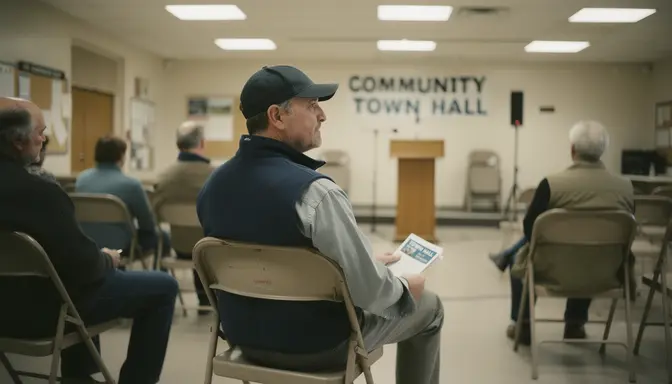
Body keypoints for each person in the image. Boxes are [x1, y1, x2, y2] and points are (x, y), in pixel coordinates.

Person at [197, 65, 443, 384]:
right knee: (431, 308)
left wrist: (357, 266)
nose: (322, 115)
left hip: (243, 340)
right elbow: (370, 293)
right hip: (319, 345)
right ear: (277, 116)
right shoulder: (316, 193)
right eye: (312, 105)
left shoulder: (212, 187)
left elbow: (264, 262)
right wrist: (406, 288)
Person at [0, 97, 178, 384]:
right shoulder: (41, 193)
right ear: (19, 142)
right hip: (44, 313)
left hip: (6, 308)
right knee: (163, 286)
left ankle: (79, 374)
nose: (44, 139)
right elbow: (82, 266)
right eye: (40, 133)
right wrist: (108, 259)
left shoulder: (73, 181)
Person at [502, 121, 634, 345]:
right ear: (603, 150)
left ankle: (523, 326)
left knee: (520, 260)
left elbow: (530, 230)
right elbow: (629, 234)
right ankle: (575, 324)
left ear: (572, 149)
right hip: (607, 273)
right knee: (591, 254)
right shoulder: (626, 187)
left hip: (552, 271)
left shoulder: (551, 184)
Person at [75, 135, 171, 268]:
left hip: (88, 243)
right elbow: (147, 224)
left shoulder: (81, 180)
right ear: (121, 157)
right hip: (121, 247)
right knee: (163, 237)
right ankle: (160, 277)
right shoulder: (132, 185)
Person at [154, 121, 215, 310]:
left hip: (180, 246)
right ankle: (208, 299)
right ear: (202, 143)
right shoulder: (216, 176)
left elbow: (154, 215)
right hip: (211, 250)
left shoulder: (164, 177)